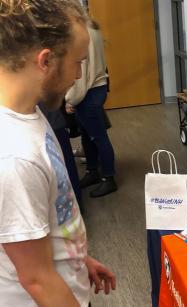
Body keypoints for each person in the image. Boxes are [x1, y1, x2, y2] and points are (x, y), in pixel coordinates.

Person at [0, 1, 127, 307]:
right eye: (77, 62)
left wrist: (79, 257)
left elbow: (47, 215)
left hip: (62, 291)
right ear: (45, 61)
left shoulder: (29, 114)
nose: (78, 74)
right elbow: (36, 278)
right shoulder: (13, 157)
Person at [65, 18, 117, 198]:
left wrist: (70, 100)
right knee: (88, 136)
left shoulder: (78, 33)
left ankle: (108, 179)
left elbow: (80, 74)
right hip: (97, 87)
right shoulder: (92, 26)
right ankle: (92, 172)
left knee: (98, 137)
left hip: (88, 91)